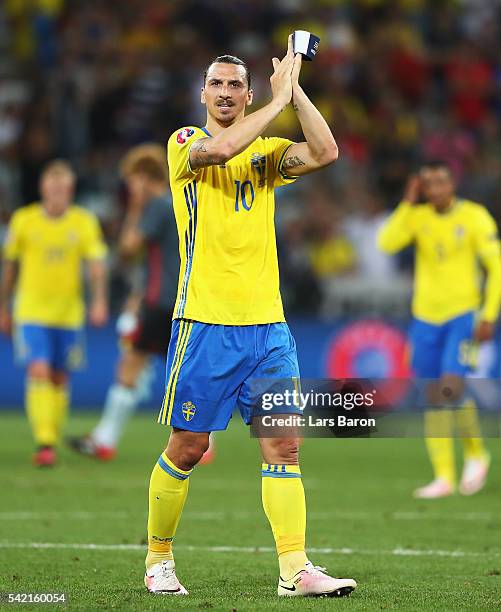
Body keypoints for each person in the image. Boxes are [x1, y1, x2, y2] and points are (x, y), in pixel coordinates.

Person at [144, 38, 357, 598]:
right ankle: (158, 559)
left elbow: (325, 151)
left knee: (284, 445)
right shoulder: (185, 142)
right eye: (216, 83)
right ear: (203, 93)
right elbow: (217, 154)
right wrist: (275, 102)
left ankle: (295, 569)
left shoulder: (265, 153)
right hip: (206, 324)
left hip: (268, 327)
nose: (225, 92)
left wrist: (295, 90)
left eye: (235, 84)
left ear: (246, 93)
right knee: (188, 446)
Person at [378, 161, 501, 498]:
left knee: (450, 387)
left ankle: (476, 453)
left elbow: (496, 265)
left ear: (452, 184)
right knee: (434, 395)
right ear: (423, 188)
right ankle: (445, 477)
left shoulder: (474, 216)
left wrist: (489, 314)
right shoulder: (417, 217)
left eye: (441, 182)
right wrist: (407, 201)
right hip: (425, 318)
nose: (436, 189)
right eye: (428, 184)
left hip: (462, 316)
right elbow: (386, 243)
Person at [66, 145, 180, 460]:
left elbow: (128, 250)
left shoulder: (156, 205)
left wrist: (133, 209)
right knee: (189, 372)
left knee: (131, 365)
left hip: (161, 303)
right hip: (179, 301)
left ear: (143, 178)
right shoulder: (175, 204)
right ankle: (205, 443)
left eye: (131, 180)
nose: (129, 188)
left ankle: (105, 440)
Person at [0, 160, 108, 466]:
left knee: (60, 377)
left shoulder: (83, 221)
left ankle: (51, 432)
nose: (59, 193)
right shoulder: (24, 220)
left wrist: (99, 301)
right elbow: (10, 267)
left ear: (71, 190)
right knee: (39, 368)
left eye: (64, 188)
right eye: (53, 187)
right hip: (31, 310)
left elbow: (96, 265)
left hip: (68, 313)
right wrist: (4, 306)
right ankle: (44, 441)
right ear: (43, 188)